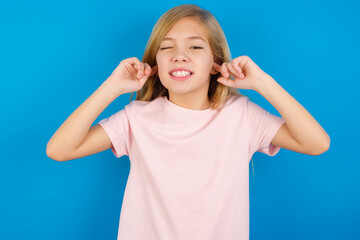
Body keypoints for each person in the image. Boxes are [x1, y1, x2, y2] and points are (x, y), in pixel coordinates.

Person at [46, 4, 330, 240]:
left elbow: (317, 143)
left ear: (215, 61)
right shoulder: (137, 117)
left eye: (195, 47)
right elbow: (59, 150)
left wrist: (263, 83)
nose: (179, 55)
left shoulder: (241, 115)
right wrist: (112, 87)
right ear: (155, 62)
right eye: (167, 48)